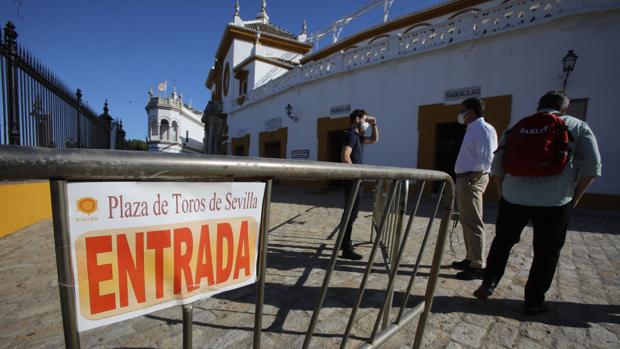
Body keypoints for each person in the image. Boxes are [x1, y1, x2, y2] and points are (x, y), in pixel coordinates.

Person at [474, 91, 601, 315]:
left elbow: (497, 166)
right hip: (555, 200)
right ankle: (533, 301)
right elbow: (592, 167)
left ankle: (488, 284)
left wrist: (503, 192)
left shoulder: (517, 127)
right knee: (546, 251)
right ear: (564, 108)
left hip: (514, 196)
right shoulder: (577, 126)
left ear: (538, 106)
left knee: (502, 242)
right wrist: (575, 197)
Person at [451, 97, 498, 280]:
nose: (460, 114)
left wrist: (472, 179)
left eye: (462, 110)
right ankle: (470, 258)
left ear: (471, 111)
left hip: (472, 179)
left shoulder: (483, 129)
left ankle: (478, 264)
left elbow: (486, 159)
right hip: (465, 178)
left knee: (474, 221)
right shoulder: (472, 129)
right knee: (466, 221)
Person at [340, 109, 379, 260]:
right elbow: (345, 156)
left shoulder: (356, 136)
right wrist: (355, 176)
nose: (366, 122)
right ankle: (346, 248)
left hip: (355, 180)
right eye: (364, 119)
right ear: (357, 119)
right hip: (354, 180)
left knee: (350, 213)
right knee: (350, 214)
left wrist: (374, 123)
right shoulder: (351, 134)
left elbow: (375, 139)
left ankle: (344, 244)